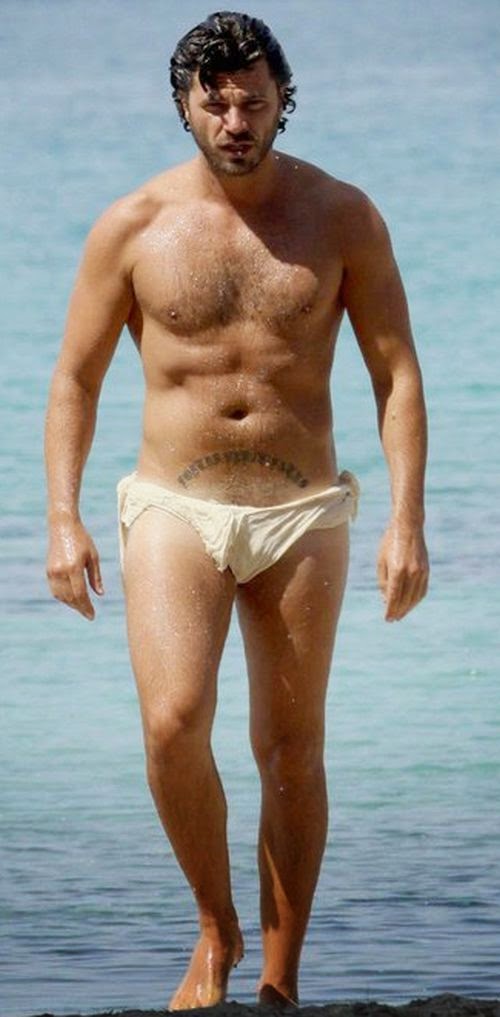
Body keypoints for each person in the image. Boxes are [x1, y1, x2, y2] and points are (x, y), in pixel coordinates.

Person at [45, 11, 429, 1010]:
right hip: (175, 503)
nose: (234, 120)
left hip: (302, 511)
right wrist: (62, 518)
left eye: (252, 101)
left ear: (281, 100)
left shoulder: (342, 217)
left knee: (290, 750)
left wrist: (406, 522)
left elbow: (395, 375)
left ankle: (279, 978)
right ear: (184, 106)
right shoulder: (133, 224)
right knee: (173, 723)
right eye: (214, 103)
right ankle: (215, 927)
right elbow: (76, 380)